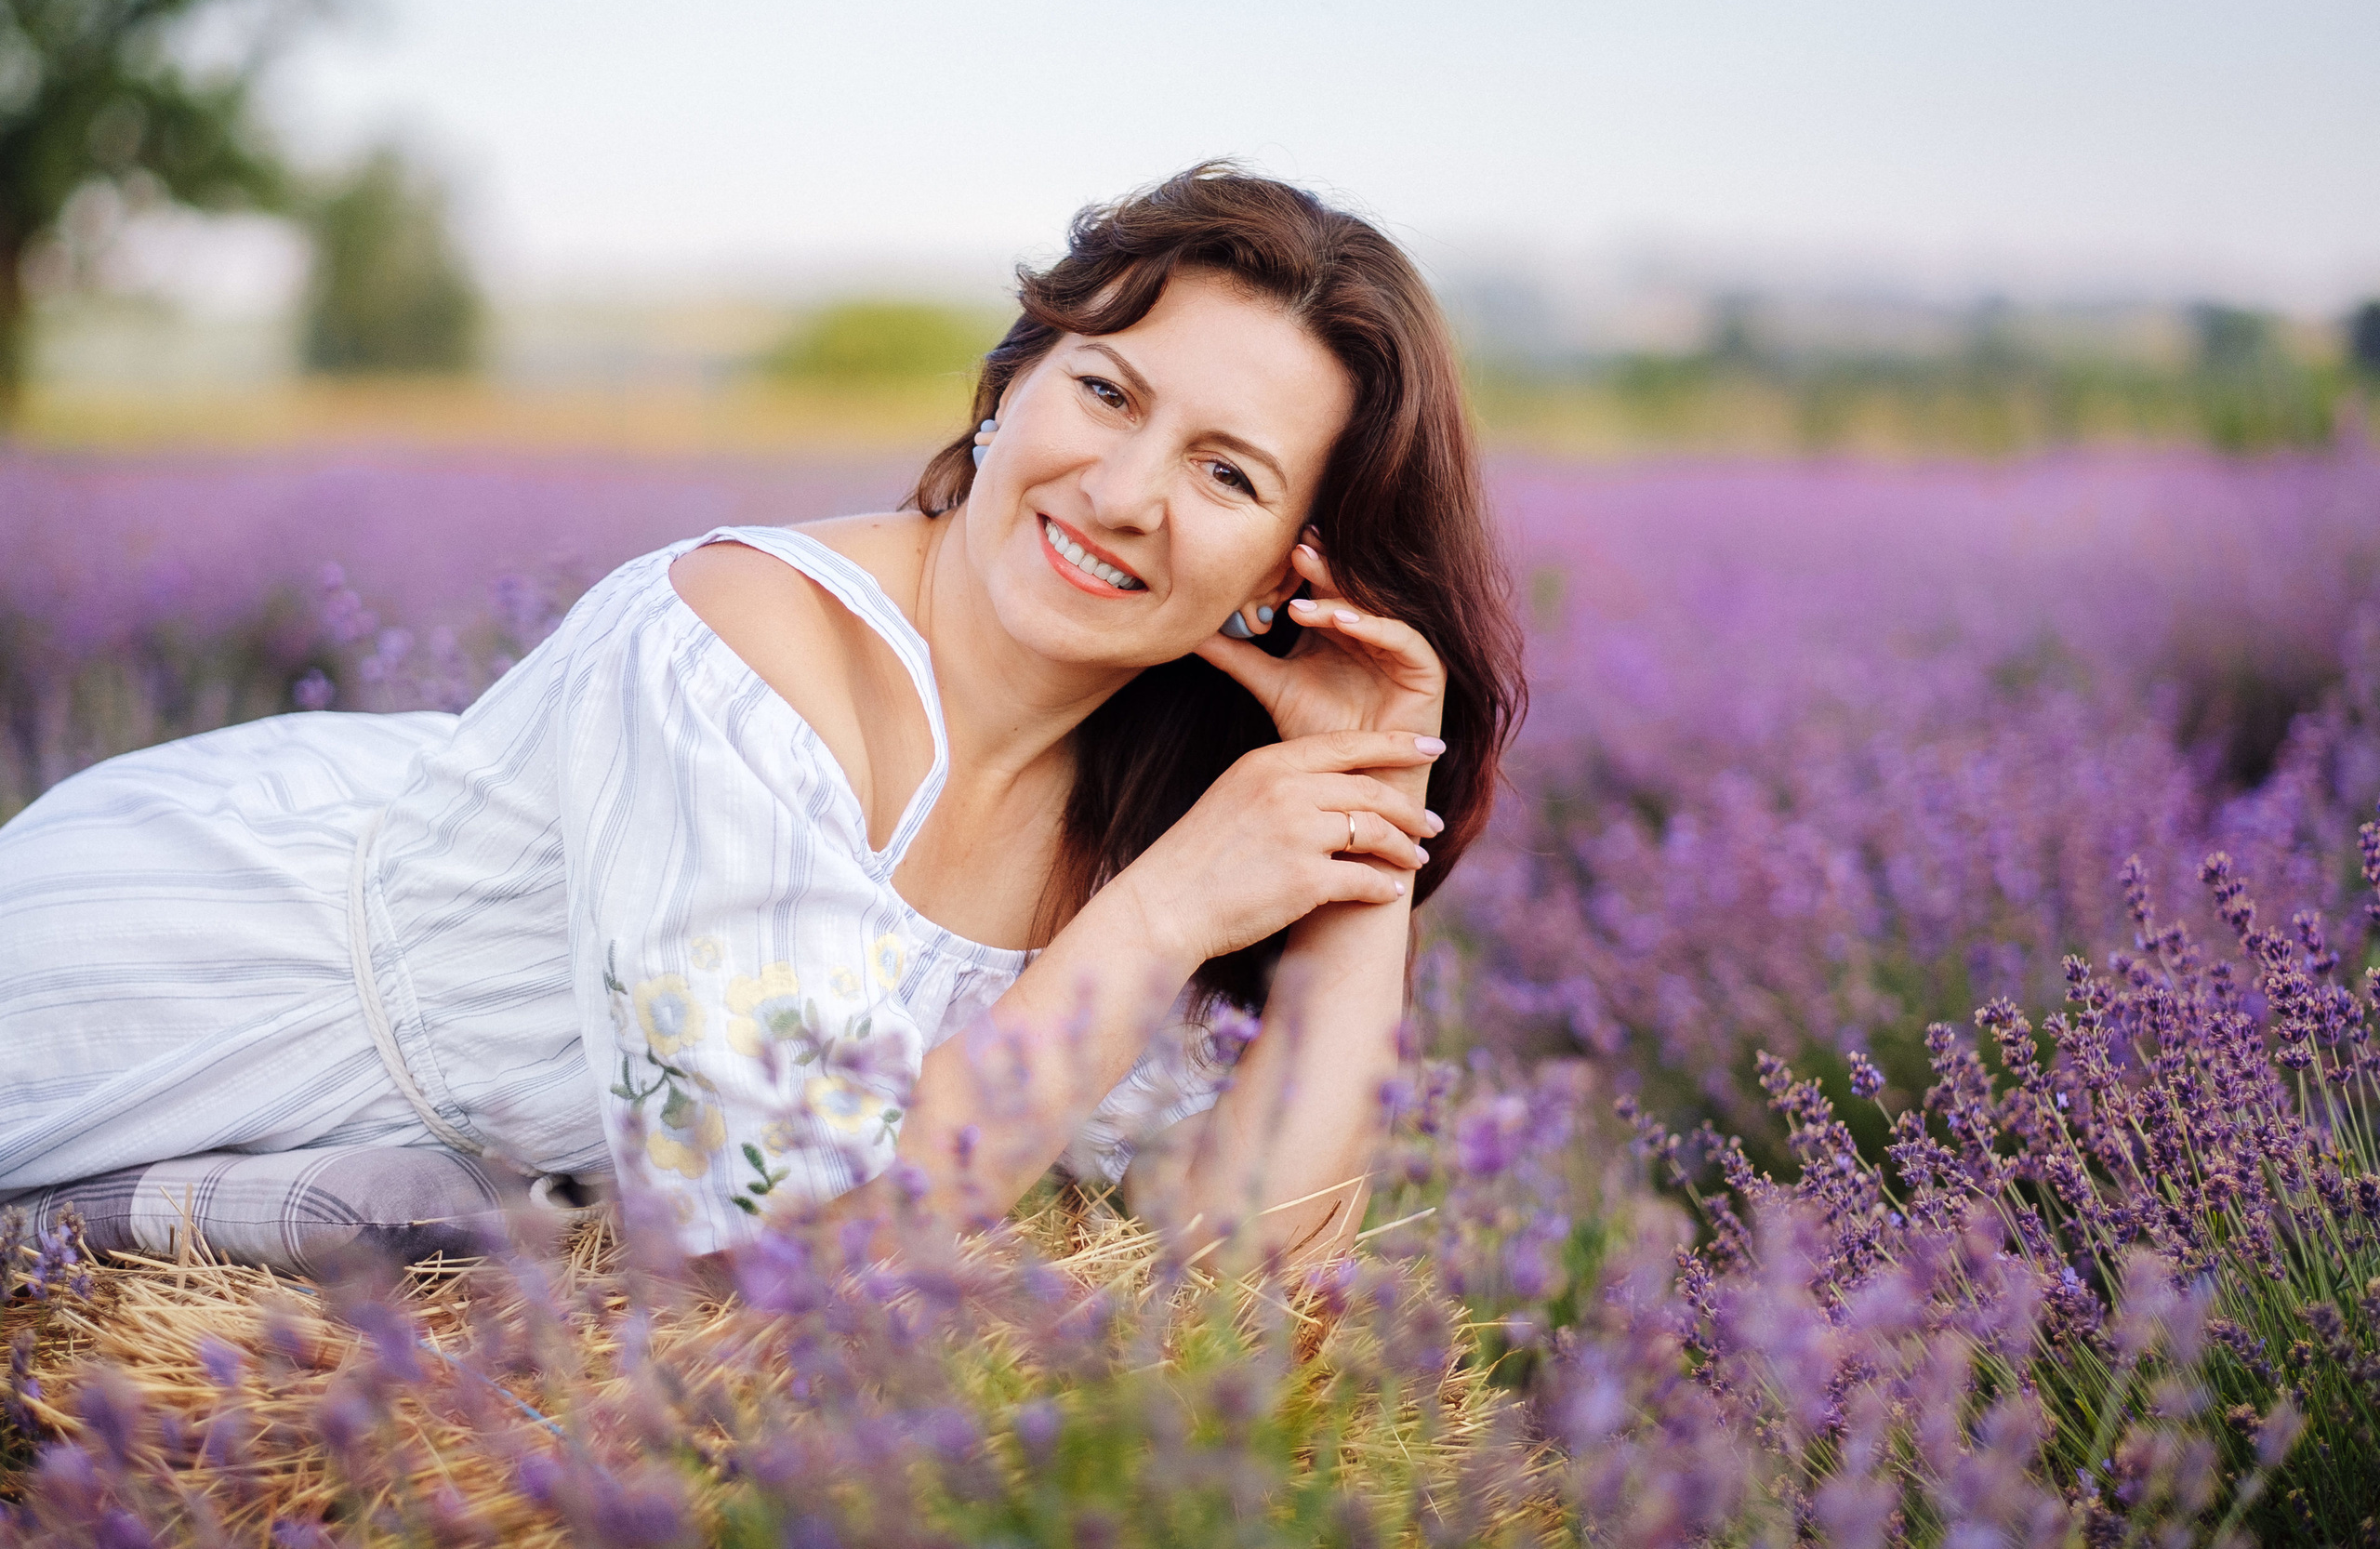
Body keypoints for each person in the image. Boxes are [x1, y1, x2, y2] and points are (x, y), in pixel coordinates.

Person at [0, 164, 1524, 1274]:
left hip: (413, 1139)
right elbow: (780, 1247)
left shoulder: (1145, 791)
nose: (1124, 495)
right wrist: (1171, 905)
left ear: (1289, 576)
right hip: (187, 992)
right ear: (1009, 389)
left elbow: (1250, 1259)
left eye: (1228, 474)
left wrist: (1363, 829)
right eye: (1109, 394)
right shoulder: (739, 648)